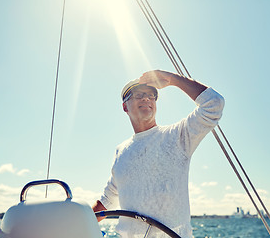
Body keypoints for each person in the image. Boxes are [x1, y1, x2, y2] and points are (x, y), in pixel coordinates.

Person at [92, 70, 225, 238]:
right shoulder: (121, 151)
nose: (146, 99)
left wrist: (173, 80)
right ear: (125, 106)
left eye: (151, 96)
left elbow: (214, 104)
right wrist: (75, 222)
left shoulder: (177, 136)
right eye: (139, 95)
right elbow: (106, 201)